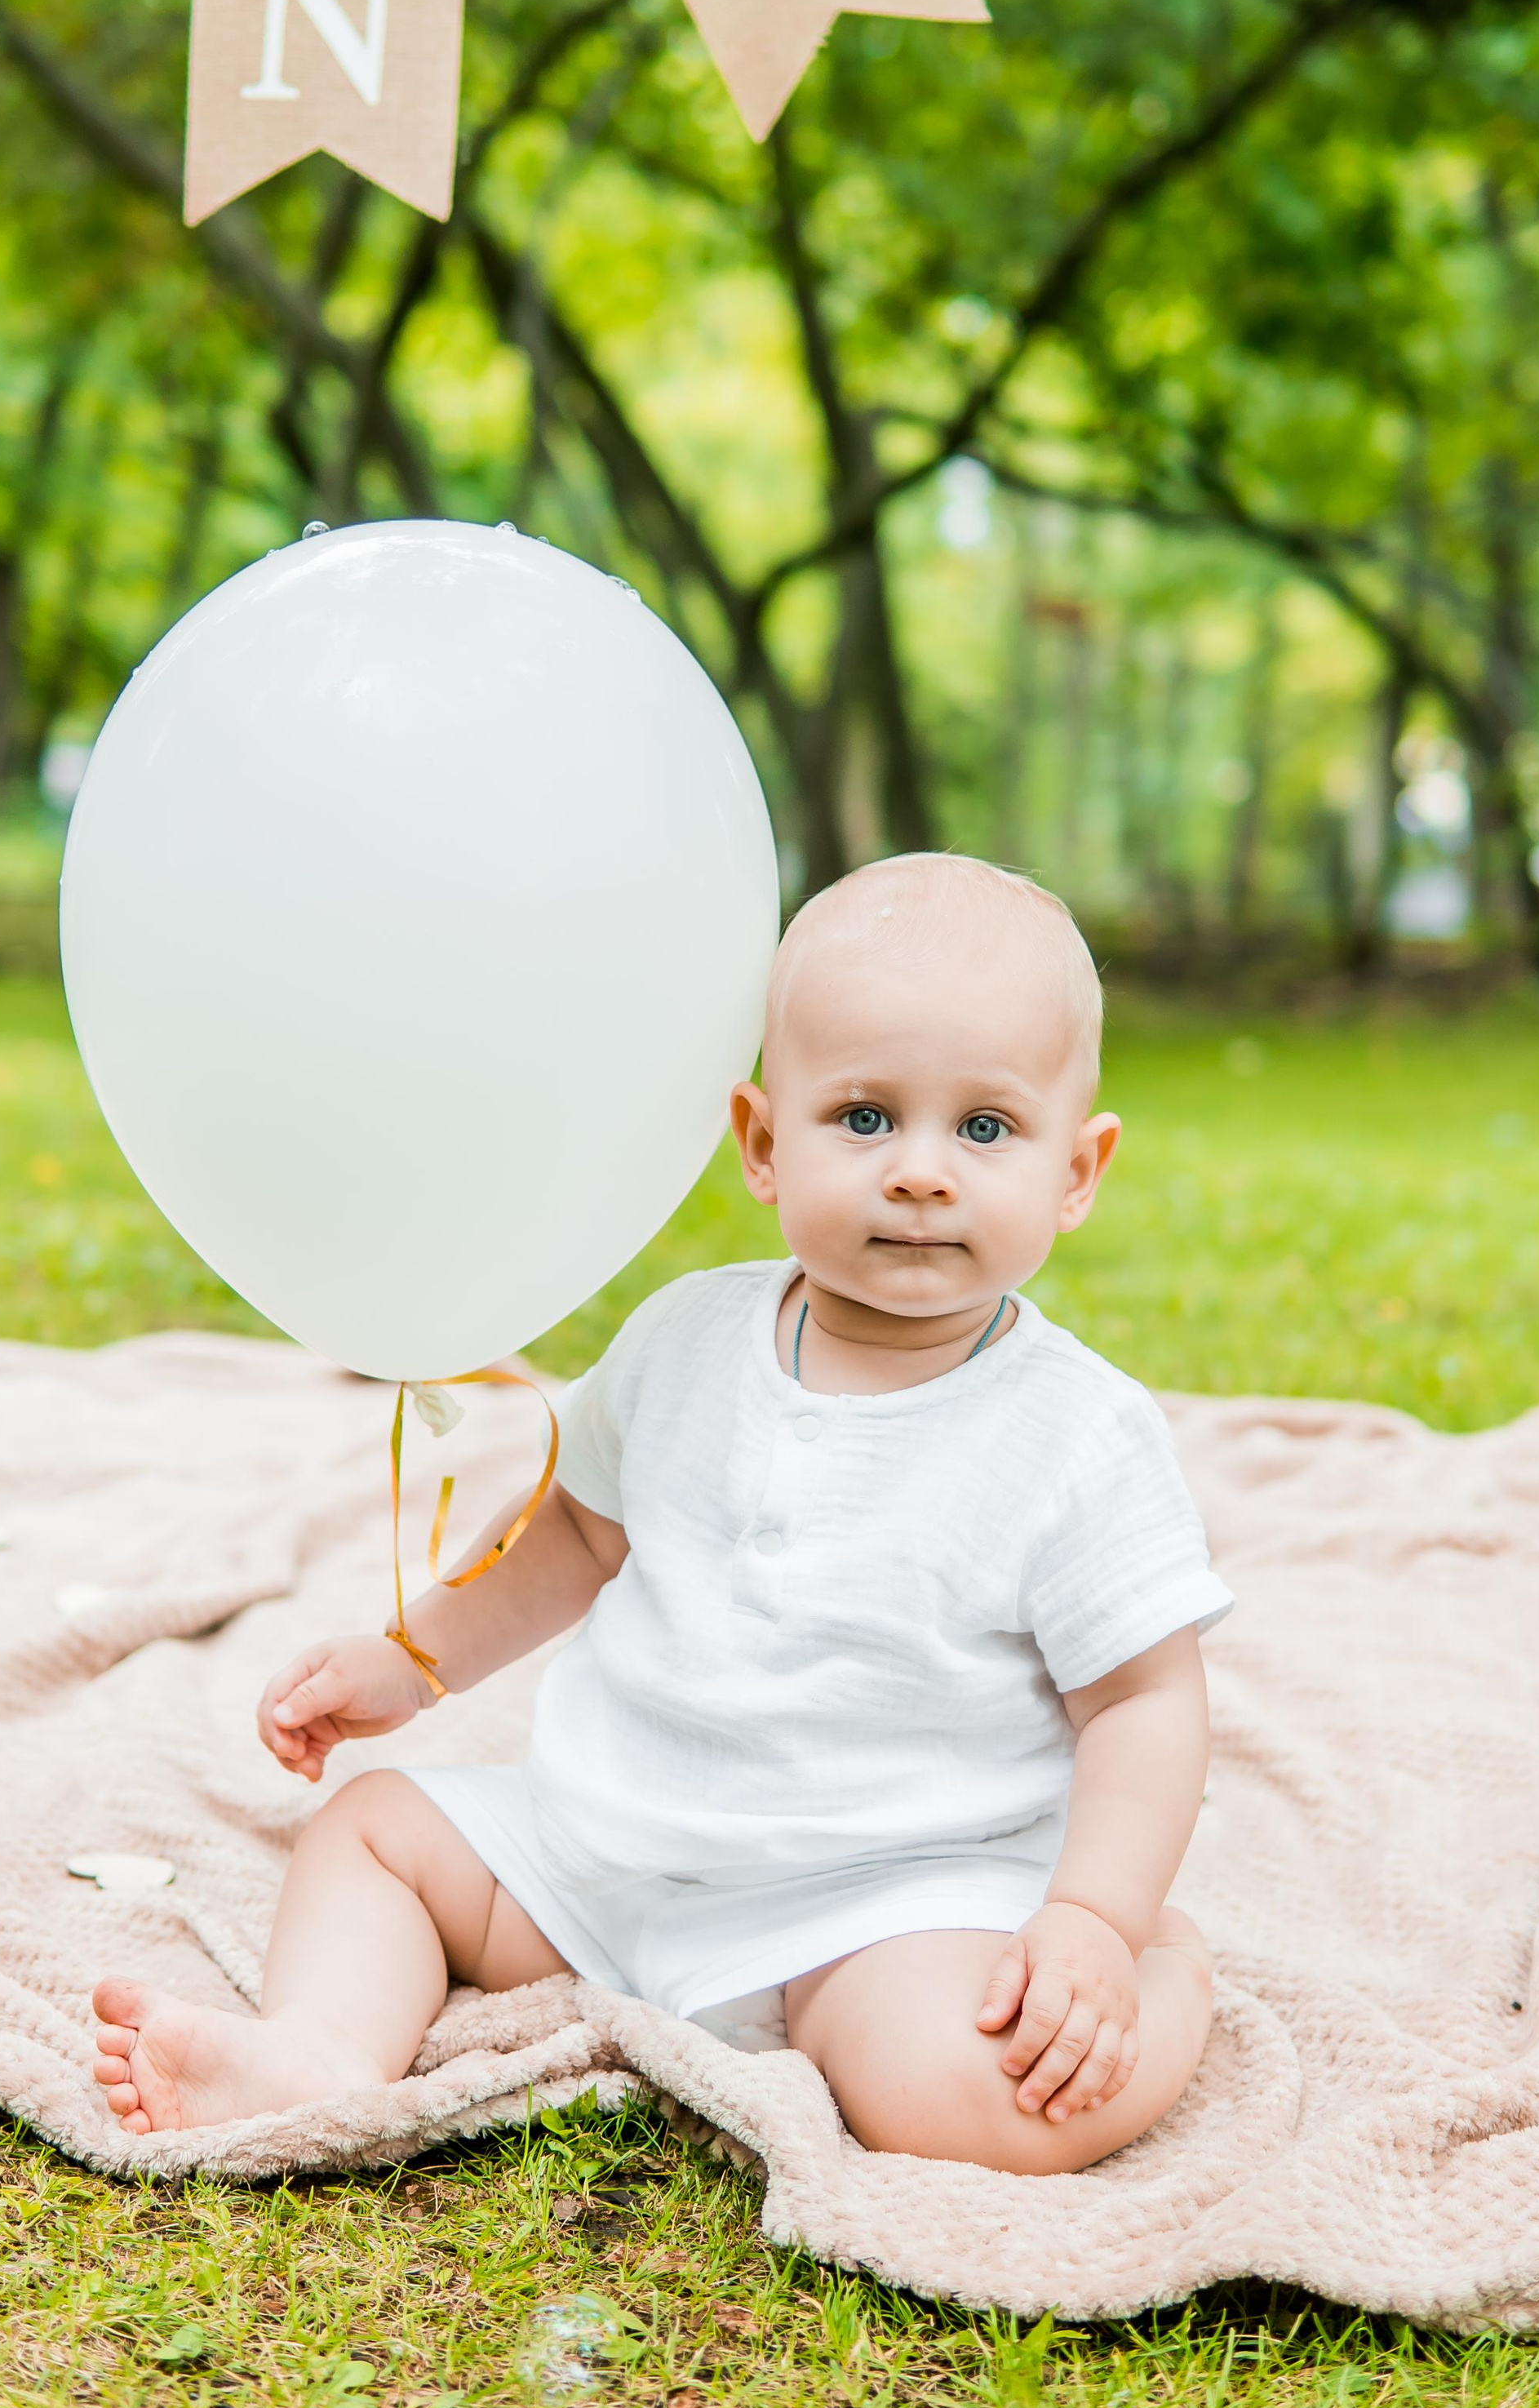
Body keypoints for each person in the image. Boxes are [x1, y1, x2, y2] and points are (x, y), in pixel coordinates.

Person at [92, 852, 1229, 2172]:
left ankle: (1169, 1972)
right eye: (864, 1118)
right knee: (374, 1832)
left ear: (1078, 1172)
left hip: (883, 1903)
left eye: (985, 1130)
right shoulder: (684, 1342)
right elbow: (576, 1536)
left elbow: (1148, 1701)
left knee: (976, 2104)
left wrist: (1092, 1913)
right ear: (760, 1140)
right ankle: (323, 2051)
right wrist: (415, 1659)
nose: (920, 1172)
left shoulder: (1077, 1435)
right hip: (609, 1854)